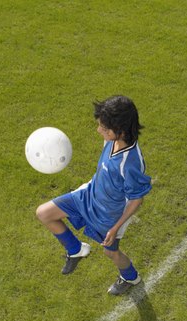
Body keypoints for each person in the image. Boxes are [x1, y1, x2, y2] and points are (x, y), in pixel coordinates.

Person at [36, 95, 152, 295]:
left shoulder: (131, 163)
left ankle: (131, 277)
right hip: (88, 195)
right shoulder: (112, 140)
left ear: (121, 131)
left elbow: (136, 199)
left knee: (111, 252)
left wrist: (115, 228)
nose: (99, 130)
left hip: (109, 214)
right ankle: (76, 250)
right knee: (44, 213)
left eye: (104, 128)